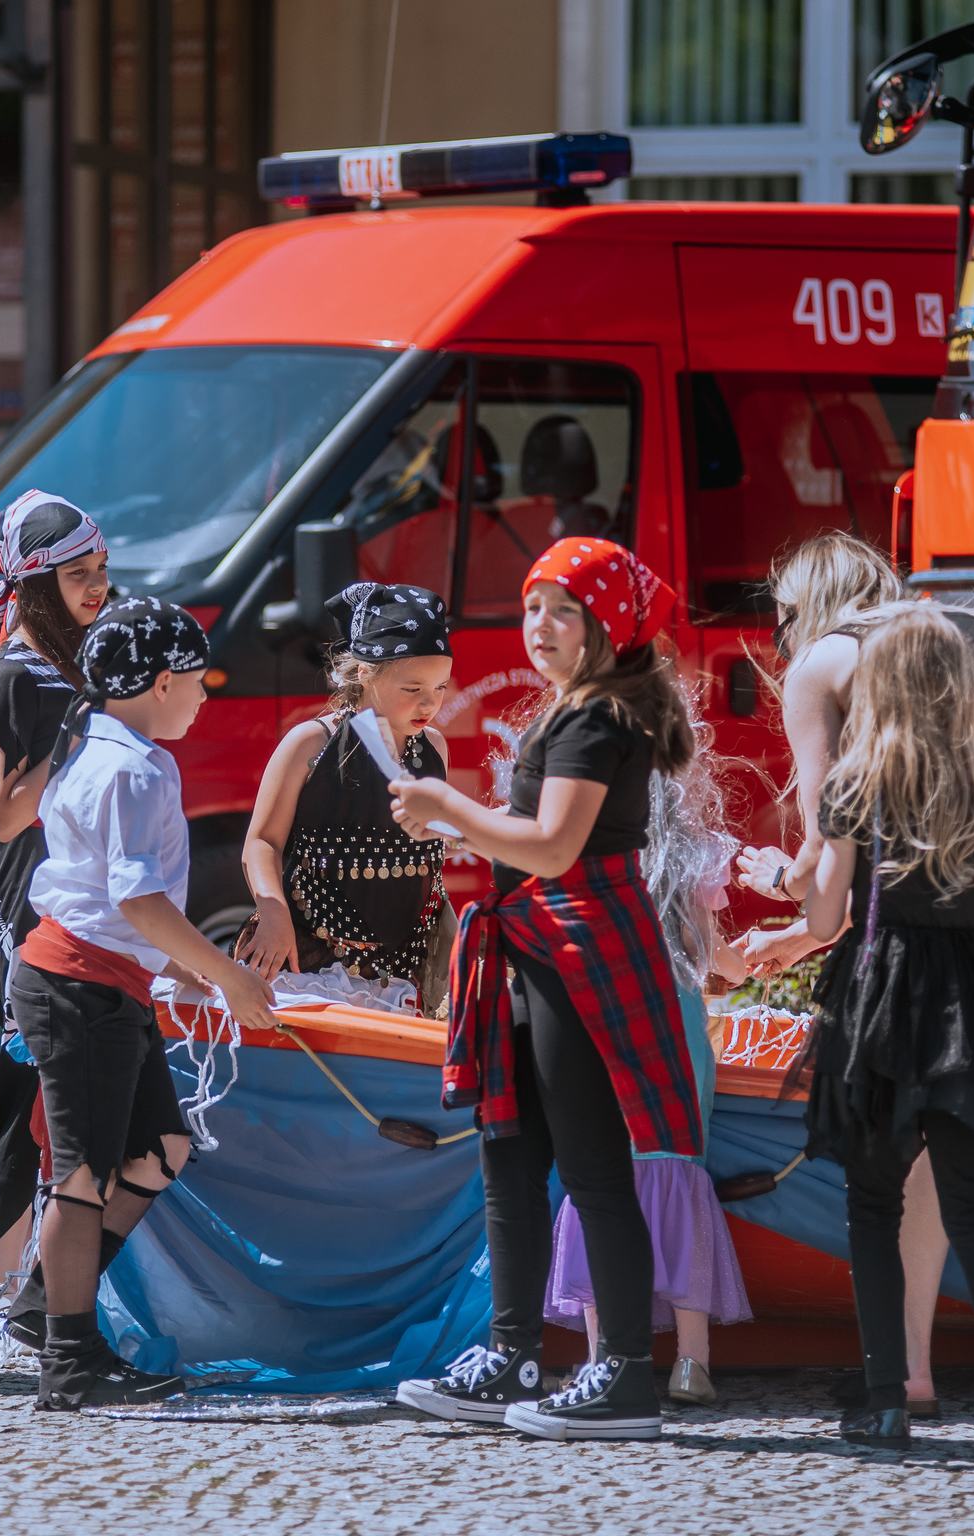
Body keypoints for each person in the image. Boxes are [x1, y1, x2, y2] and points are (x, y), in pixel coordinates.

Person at [737, 531, 974, 1422]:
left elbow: (828, 855)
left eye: (780, 620)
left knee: (926, 1074)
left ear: (803, 609)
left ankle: (907, 1368)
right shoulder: (957, 629)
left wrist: (785, 893)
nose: (781, 643)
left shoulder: (825, 661)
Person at [390, 536, 706, 1443]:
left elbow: (555, 848)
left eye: (564, 610)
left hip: (578, 952)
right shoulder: (577, 710)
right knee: (511, 1160)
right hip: (535, 949)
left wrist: (448, 808)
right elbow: (537, 836)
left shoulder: (597, 718)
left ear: (607, 628)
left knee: (593, 1170)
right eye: (533, 606)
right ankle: (512, 1357)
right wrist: (465, 826)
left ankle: (625, 1375)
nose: (540, 624)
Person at [8, 596, 282, 1409]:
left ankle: (47, 1303)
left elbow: (119, 902)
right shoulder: (129, 766)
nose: (203, 699)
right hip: (77, 984)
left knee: (161, 1146)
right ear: (162, 682)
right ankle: (69, 1358)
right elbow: (136, 899)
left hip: (107, 980)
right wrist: (226, 976)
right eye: (198, 683)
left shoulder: (108, 747)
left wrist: (179, 973)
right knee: (81, 1174)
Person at [798, 606, 974, 1456]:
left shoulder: (855, 787)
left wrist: (795, 884)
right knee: (973, 1206)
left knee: (873, 1204)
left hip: (879, 1000)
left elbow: (826, 917)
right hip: (972, 1008)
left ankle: (886, 1402)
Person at [544, 740, 753, 1406]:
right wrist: (760, 958)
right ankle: (693, 1362)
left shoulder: (586, 852)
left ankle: (601, 1358)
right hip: (677, 1033)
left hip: (604, 1023)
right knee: (677, 1173)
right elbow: (718, 957)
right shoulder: (693, 858)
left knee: (602, 1184)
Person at [0, 490, 113, 1358]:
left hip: (78, 888)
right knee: (27, 1101)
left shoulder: (76, 660)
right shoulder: (18, 674)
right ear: (36, 583)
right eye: (78, 573)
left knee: (73, 1100)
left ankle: (39, 1290)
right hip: (26, 902)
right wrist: (86, 735)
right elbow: (5, 813)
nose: (97, 586)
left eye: (102, 569)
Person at [239, 582, 454, 1000]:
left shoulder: (434, 748)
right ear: (363, 672)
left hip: (404, 969)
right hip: (310, 961)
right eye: (413, 689)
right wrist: (273, 914)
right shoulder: (310, 743)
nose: (429, 704)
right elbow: (263, 841)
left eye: (441, 688)